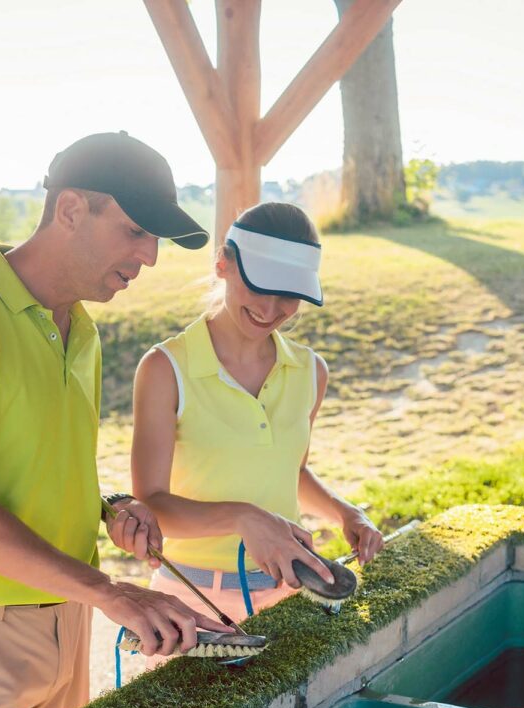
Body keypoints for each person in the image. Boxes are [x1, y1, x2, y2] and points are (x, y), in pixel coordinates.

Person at [0, 131, 227, 708]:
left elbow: (36, 460)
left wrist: (107, 508)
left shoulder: (82, 326)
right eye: (135, 232)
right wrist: (112, 593)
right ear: (71, 209)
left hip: (67, 615)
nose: (150, 258)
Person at [131, 201, 384, 629]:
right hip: (193, 605)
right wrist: (244, 516)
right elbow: (150, 506)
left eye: (289, 296)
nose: (270, 310)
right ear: (222, 264)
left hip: (289, 594)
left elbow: (292, 473)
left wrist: (347, 514)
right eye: (259, 287)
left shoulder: (310, 371)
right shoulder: (164, 368)